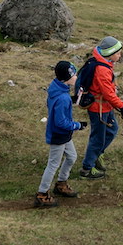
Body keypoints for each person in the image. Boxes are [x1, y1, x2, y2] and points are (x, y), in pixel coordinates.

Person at [34, 61, 83, 208]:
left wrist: (72, 100)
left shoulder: (58, 88)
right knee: (53, 164)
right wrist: (78, 125)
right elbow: (61, 122)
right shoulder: (63, 97)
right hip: (59, 134)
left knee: (72, 157)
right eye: (74, 74)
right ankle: (42, 194)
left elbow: (59, 106)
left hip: (64, 134)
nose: (76, 77)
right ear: (66, 78)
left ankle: (61, 183)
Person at [79, 36, 123, 180]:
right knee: (97, 138)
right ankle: (87, 168)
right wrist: (122, 107)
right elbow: (107, 93)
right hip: (98, 109)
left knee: (112, 130)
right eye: (118, 53)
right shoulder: (102, 69)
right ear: (110, 54)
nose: (120, 55)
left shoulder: (105, 63)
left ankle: (97, 155)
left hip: (105, 107)